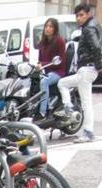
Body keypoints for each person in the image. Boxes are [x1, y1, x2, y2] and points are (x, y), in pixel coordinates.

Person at [56, 4, 102, 143]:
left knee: (85, 102)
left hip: (87, 69)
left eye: (81, 15)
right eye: (77, 16)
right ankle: (69, 107)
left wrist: (99, 65)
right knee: (63, 83)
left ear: (88, 14)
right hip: (87, 69)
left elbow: (96, 46)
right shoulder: (93, 26)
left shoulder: (89, 28)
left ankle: (87, 131)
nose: (78, 18)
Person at [37, 18, 66, 119]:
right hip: (45, 71)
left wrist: (43, 64)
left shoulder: (59, 41)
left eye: (50, 26)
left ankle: (43, 112)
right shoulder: (42, 42)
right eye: (46, 26)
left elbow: (60, 61)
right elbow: (40, 60)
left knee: (44, 82)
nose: (47, 29)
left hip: (58, 72)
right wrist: (37, 65)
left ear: (55, 29)